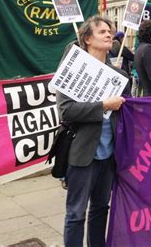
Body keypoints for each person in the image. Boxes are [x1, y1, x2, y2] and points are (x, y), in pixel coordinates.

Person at [56, 16, 130, 247]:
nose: (109, 35)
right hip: (82, 155)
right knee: (76, 214)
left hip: (108, 157)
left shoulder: (118, 75)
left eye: (110, 31)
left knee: (100, 209)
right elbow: (66, 111)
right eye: (102, 32)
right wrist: (103, 106)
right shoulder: (73, 70)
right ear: (87, 38)